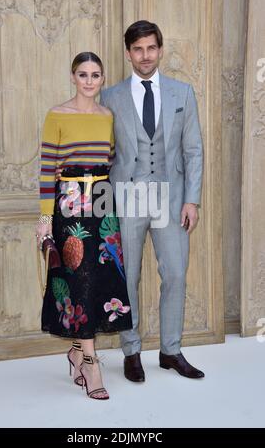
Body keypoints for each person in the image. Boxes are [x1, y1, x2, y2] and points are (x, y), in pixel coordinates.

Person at [100, 21, 205, 382]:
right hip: (127, 195)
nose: (145, 56)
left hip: (171, 197)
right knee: (126, 278)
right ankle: (131, 351)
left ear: (160, 50)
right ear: (128, 53)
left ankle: (171, 350)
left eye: (151, 48)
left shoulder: (182, 93)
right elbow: (103, 152)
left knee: (175, 273)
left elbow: (193, 150)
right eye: (138, 49)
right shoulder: (110, 96)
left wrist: (192, 200)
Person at [36, 52, 132, 400]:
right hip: (70, 201)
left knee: (101, 276)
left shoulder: (107, 115)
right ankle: (90, 362)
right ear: (73, 77)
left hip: (102, 198)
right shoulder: (56, 114)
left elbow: (108, 158)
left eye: (95, 75)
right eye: (83, 74)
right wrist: (46, 219)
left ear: (102, 78)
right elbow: (48, 170)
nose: (89, 81)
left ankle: (77, 352)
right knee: (78, 276)